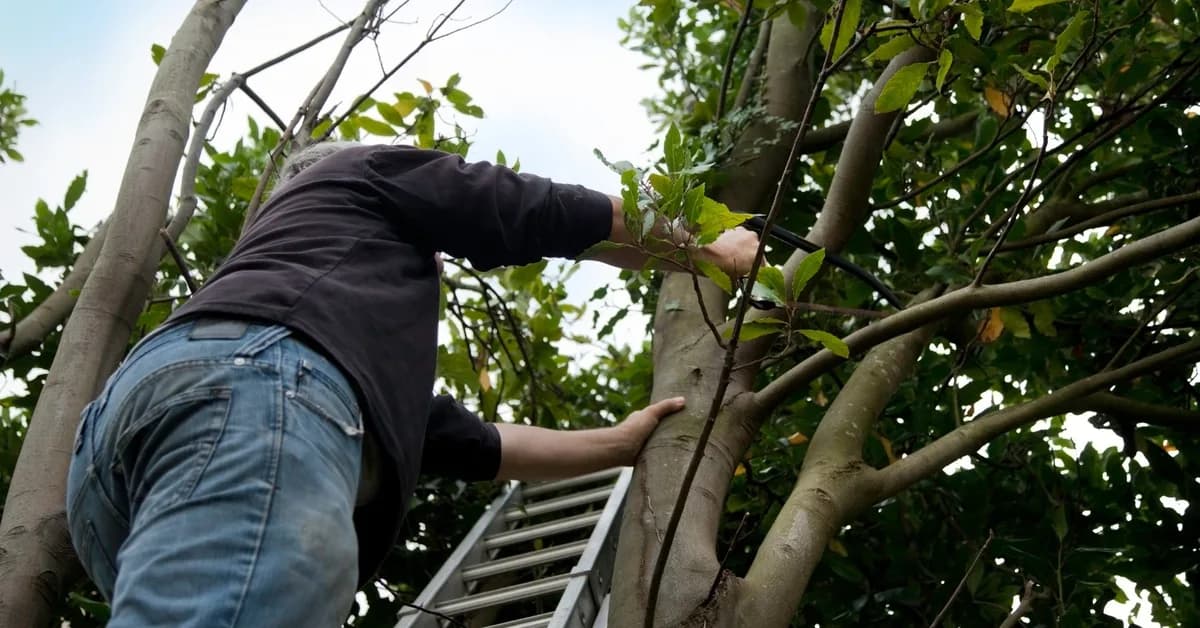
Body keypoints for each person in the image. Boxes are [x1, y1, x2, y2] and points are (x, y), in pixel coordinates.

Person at [65, 141, 758, 627]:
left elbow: (473, 443)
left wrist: (617, 444)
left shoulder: (340, 337)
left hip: (115, 455)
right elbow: (528, 206)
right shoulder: (361, 169)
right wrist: (708, 255)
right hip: (256, 394)